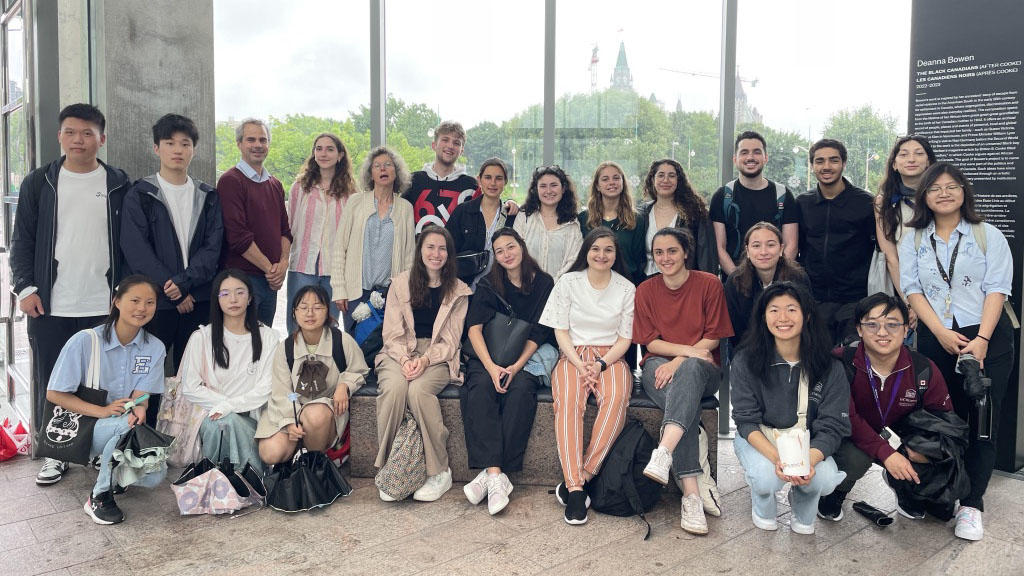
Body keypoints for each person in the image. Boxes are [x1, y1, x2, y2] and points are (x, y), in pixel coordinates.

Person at [10, 103, 130, 486]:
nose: (79, 139)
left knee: (102, 379)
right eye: (71, 132)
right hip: (51, 303)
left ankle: (95, 450)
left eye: (88, 133)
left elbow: (129, 244)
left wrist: (127, 295)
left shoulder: (117, 183)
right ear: (61, 136)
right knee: (54, 378)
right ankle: (56, 453)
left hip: (104, 301)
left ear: (102, 138)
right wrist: (25, 288)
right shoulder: (40, 182)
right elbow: (22, 240)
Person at [899, 162, 1015, 541]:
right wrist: (941, 334)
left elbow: (998, 288)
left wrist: (980, 340)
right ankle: (943, 490)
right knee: (941, 421)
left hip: (987, 338)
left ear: (964, 192)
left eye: (952, 187)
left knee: (983, 423)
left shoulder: (987, 235)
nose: (944, 193)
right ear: (924, 196)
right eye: (935, 188)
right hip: (937, 338)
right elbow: (912, 290)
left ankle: (972, 505)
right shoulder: (914, 238)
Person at [817, 293, 953, 522]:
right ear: (859, 329)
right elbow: (847, 416)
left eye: (892, 325)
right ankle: (835, 492)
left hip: (899, 435)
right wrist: (886, 453)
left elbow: (945, 420)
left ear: (906, 329)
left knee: (932, 461)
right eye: (872, 324)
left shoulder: (923, 369)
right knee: (855, 459)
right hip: (851, 436)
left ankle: (905, 489)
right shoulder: (840, 362)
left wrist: (928, 448)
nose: (882, 333)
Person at [633, 227, 733, 535]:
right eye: (659, 252)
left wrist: (681, 360)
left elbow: (713, 338)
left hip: (702, 369)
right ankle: (692, 493)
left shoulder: (709, 284)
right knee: (684, 405)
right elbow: (650, 344)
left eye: (672, 251)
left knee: (688, 373)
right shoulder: (646, 290)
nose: (665, 258)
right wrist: (682, 355)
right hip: (657, 367)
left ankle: (664, 452)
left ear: (685, 252)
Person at [45, 275, 166, 525]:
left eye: (150, 302)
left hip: (120, 425)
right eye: (134, 300)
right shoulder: (85, 341)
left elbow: (141, 394)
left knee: (156, 474)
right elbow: (54, 394)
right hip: (82, 429)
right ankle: (99, 495)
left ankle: (111, 468)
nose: (142, 308)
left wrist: (141, 407)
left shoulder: (154, 347)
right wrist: (101, 411)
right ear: (116, 302)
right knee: (125, 427)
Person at [121, 113, 223, 410]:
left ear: (194, 149)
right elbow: (136, 249)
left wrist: (184, 284)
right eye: (169, 143)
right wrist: (171, 289)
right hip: (154, 304)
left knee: (198, 375)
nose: (177, 150)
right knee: (144, 370)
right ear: (157, 148)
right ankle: (139, 437)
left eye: (185, 143)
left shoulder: (208, 195)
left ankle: (190, 447)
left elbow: (212, 248)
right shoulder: (140, 194)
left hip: (197, 299)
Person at [730, 282, 850, 535]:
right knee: (766, 478)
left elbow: (833, 425)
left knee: (824, 479)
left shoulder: (829, 366)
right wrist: (779, 460)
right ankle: (762, 502)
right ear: (763, 317)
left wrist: (808, 461)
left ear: (806, 316)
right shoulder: (745, 360)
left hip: (806, 440)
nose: (782, 318)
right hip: (762, 436)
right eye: (773, 310)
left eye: (791, 310)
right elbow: (745, 419)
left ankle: (804, 502)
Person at [539, 227, 635, 525]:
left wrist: (601, 365)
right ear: (587, 251)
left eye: (608, 250)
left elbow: (625, 339)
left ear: (616, 255)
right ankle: (576, 490)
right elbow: (560, 330)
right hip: (573, 353)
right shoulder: (568, 282)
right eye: (596, 249)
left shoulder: (626, 288)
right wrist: (581, 365)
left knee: (617, 397)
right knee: (568, 402)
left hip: (611, 356)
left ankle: (585, 473)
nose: (601, 255)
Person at [461, 228, 555, 515]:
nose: (506, 254)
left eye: (510, 247)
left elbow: (540, 331)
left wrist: (515, 366)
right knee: (478, 390)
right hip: (488, 355)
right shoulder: (488, 284)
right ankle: (496, 475)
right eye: (499, 251)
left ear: (522, 246)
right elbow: (474, 328)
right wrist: (490, 367)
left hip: (526, 356)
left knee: (521, 391)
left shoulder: (543, 283)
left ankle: (491, 474)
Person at [374, 226, 471, 502]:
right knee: (394, 388)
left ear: (449, 254)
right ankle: (392, 467)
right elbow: (391, 333)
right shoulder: (400, 283)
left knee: (418, 391)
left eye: (442, 248)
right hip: (399, 350)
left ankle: (439, 470)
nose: (436, 254)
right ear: (420, 251)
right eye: (430, 247)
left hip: (438, 355)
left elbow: (451, 340)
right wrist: (405, 359)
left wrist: (426, 359)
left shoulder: (458, 291)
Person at [257, 285, 369, 465]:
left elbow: (360, 369)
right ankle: (296, 457)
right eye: (303, 307)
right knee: (271, 452)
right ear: (294, 312)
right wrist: (288, 422)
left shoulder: (342, 340)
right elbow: (282, 391)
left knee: (315, 415)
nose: (310, 313)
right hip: (292, 408)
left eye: (318, 307)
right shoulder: (285, 348)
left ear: (327, 311)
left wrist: (344, 385)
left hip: (324, 416)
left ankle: (313, 465)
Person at [180, 269, 279, 471]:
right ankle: (233, 479)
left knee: (230, 421)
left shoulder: (268, 337)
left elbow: (266, 387)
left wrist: (230, 406)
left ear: (250, 297)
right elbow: (190, 387)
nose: (233, 299)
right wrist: (224, 407)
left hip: (252, 416)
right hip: (212, 415)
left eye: (240, 292)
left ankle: (234, 481)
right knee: (222, 423)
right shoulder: (201, 338)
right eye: (225, 293)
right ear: (217, 299)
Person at [795, 139, 876, 346]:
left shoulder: (866, 203)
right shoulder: (803, 203)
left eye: (833, 160)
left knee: (852, 360)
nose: (826, 166)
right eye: (820, 161)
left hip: (854, 299)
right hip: (815, 299)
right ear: (812, 166)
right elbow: (797, 248)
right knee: (817, 361)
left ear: (844, 164)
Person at [330, 146, 415, 330]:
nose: (382, 169)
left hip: (389, 294)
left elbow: (409, 257)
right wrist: (339, 289)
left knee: (386, 348)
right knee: (356, 347)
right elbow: (339, 248)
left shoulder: (406, 208)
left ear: (396, 171)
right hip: (355, 293)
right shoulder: (355, 202)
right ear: (371, 173)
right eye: (377, 166)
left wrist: (404, 292)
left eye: (388, 165)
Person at [217, 118, 293, 326]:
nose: (258, 145)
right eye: (251, 139)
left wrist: (283, 264)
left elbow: (285, 231)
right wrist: (271, 270)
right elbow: (237, 237)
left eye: (263, 140)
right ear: (239, 144)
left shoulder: (275, 184)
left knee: (263, 343)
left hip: (269, 281)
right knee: (240, 344)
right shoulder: (230, 181)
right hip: (242, 280)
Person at [285, 133, 357, 334]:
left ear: (340, 155)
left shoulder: (351, 193)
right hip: (301, 266)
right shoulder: (299, 188)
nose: (323, 153)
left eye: (330, 149)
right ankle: (295, 363)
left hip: (335, 270)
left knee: (329, 324)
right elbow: (289, 227)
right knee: (297, 322)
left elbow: (353, 236)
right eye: (319, 148)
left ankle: (326, 364)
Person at [710, 131, 799, 275]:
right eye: (744, 152)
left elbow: (791, 245)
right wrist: (737, 281)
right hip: (735, 285)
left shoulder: (783, 195)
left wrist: (773, 280)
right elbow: (719, 248)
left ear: (766, 158)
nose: (750, 157)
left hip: (776, 285)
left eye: (757, 152)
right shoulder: (722, 196)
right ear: (735, 159)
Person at [875, 135, 936, 323]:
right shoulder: (883, 202)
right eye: (904, 154)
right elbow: (891, 258)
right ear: (894, 164)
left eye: (919, 154)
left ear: (928, 162)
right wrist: (910, 303)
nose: (911, 159)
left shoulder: (941, 197)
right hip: (905, 286)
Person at [724, 222, 809, 350]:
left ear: (781, 249)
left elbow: (805, 321)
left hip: (792, 346)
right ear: (747, 251)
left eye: (770, 245)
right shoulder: (735, 281)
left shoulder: (798, 278)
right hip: (750, 348)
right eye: (756, 246)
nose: (763, 252)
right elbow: (735, 330)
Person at [637, 159, 716, 277]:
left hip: (684, 283)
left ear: (679, 181)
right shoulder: (641, 214)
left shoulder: (695, 214)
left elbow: (706, 256)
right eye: (661, 175)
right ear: (653, 179)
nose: (666, 180)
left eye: (671, 176)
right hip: (646, 282)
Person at [446, 157, 517, 289]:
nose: (493, 183)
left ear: (505, 182)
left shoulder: (511, 215)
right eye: (488, 177)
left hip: (500, 290)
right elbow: (448, 249)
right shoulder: (463, 212)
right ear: (479, 180)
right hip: (464, 289)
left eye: (499, 178)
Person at [403, 120, 481, 233]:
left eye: (456, 143)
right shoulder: (413, 181)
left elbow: (490, 209)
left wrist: (509, 203)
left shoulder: (471, 186)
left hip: (457, 251)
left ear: (462, 150)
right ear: (434, 145)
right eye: (445, 140)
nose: (450, 146)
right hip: (418, 250)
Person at [512, 165, 583, 281]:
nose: (548, 191)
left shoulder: (572, 224)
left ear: (563, 188)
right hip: (526, 287)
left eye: (554, 185)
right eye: (543, 186)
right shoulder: (524, 217)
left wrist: (551, 285)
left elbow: (573, 261)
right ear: (536, 190)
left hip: (560, 291)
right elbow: (515, 252)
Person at [578, 161, 645, 281]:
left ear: (623, 183)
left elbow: (639, 260)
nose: (611, 182)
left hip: (627, 284)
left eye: (616, 178)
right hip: (591, 285)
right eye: (605, 179)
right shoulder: (584, 218)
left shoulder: (637, 220)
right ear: (597, 186)